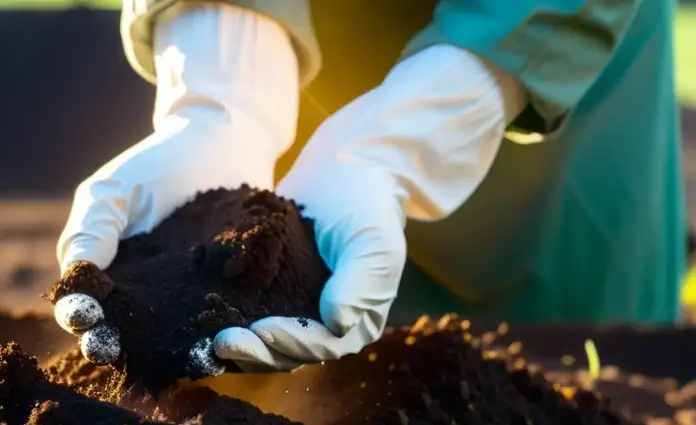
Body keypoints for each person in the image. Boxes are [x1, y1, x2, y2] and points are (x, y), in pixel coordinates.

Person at [53, 1, 687, 374]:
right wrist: (226, 95)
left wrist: (398, 142)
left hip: (549, 64)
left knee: (576, 397)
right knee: (293, 333)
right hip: (303, 60)